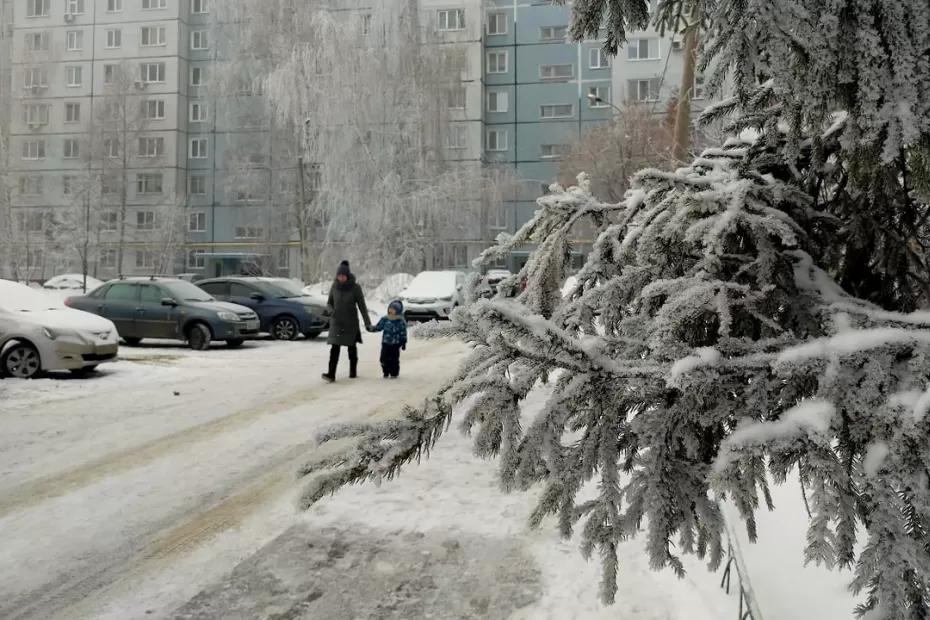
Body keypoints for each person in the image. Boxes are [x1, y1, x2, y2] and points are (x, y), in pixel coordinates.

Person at [322, 260, 372, 382]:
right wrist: (330, 311)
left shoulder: (355, 287)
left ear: (347, 275)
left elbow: (362, 306)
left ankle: (353, 371)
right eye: (339, 276)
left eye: (343, 276)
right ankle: (331, 374)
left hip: (350, 322)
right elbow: (329, 303)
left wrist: (367, 323)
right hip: (337, 322)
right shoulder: (334, 286)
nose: (341, 278)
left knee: (351, 347)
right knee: (334, 348)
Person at [368, 300, 407, 379]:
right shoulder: (385, 319)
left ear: (398, 310)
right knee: (383, 358)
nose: (391, 311)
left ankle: (394, 373)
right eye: (390, 309)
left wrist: (403, 342)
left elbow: (403, 332)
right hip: (386, 342)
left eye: (393, 309)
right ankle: (385, 371)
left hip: (396, 344)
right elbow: (379, 327)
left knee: (394, 359)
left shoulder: (400, 320)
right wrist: (371, 328)